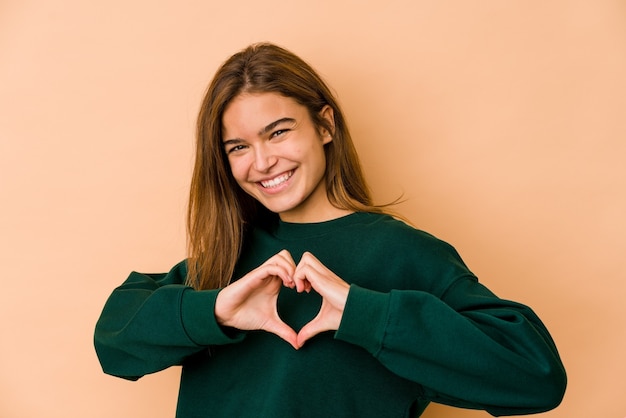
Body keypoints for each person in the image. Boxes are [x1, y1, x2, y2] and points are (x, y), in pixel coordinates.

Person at [94, 42, 566, 417]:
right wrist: (215, 311)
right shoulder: (229, 260)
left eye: (278, 132)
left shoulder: (402, 253)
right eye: (238, 147)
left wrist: (366, 315)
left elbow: (536, 376)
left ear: (325, 125)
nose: (262, 162)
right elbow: (114, 343)